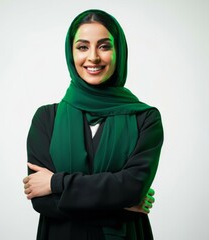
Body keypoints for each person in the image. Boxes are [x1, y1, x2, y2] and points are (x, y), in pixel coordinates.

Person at [23, 9, 164, 240]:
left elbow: (132, 188)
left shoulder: (145, 118)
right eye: (82, 47)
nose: (93, 57)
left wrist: (56, 182)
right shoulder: (46, 118)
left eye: (104, 46)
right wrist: (120, 206)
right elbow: (43, 202)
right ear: (71, 53)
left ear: (119, 51)